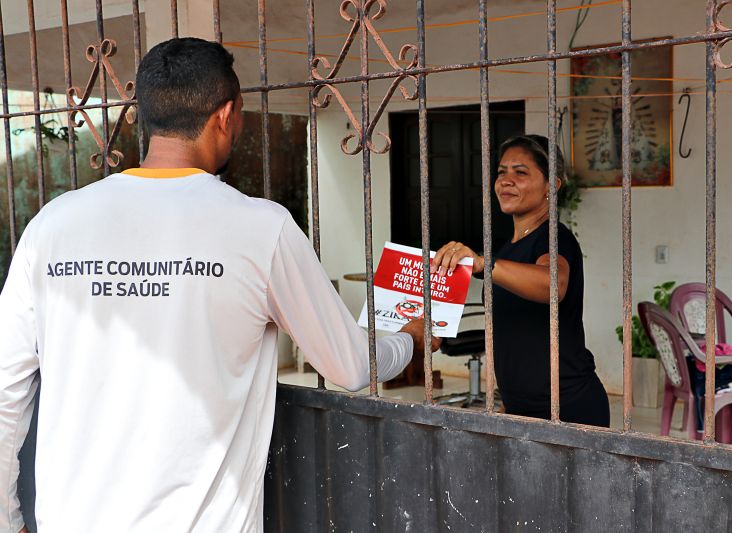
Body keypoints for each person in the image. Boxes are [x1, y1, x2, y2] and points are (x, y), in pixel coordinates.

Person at [0, 37, 438, 533]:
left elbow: (5, 391)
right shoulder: (259, 228)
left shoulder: (52, 225)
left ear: (144, 115)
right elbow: (352, 363)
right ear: (226, 115)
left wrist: (7, 517)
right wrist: (412, 338)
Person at [431, 134, 609, 427]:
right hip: (521, 409)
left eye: (521, 172)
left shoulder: (554, 237)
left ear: (552, 186)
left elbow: (553, 284)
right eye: (502, 172)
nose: (506, 180)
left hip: (567, 409)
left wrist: (482, 264)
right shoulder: (507, 249)